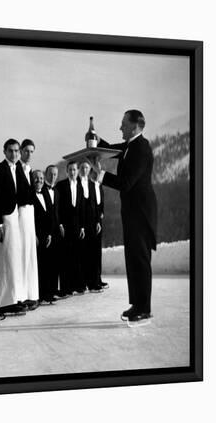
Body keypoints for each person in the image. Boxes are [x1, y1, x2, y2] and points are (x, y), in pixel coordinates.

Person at [92, 110, 157, 325]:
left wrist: (100, 175)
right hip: (132, 213)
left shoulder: (141, 148)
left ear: (135, 126)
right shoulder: (129, 146)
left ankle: (144, 308)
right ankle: (137, 304)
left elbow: (126, 182)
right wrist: (95, 139)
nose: (120, 128)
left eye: (123, 124)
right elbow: (110, 149)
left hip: (141, 214)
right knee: (133, 259)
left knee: (140, 260)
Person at [0, 139, 27, 318]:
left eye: (16, 151)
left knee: (14, 259)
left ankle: (14, 297)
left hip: (15, 217)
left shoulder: (18, 167)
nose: (14, 154)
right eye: (10, 151)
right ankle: (4, 302)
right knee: (5, 260)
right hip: (4, 218)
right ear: (4, 152)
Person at [56, 161, 86, 296]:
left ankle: (77, 285)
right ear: (67, 171)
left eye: (75, 170)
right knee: (64, 257)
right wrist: (60, 224)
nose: (73, 172)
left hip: (76, 226)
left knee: (77, 256)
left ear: (77, 171)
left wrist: (82, 227)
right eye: (70, 170)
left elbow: (82, 208)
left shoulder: (80, 187)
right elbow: (57, 206)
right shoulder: (61, 185)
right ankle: (65, 288)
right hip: (65, 225)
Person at [17, 139, 40, 310]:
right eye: (26, 151)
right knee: (22, 255)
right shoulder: (16, 169)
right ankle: (21, 296)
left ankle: (31, 294)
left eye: (32, 151)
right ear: (21, 151)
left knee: (30, 254)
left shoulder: (29, 170)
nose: (29, 154)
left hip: (29, 215)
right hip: (19, 214)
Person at [31, 170, 58, 304]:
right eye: (36, 178)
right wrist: (34, 235)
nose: (39, 180)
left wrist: (50, 234)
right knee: (38, 266)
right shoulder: (30, 195)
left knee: (48, 265)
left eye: (41, 178)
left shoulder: (46, 194)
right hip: (36, 235)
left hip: (47, 235)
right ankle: (39, 295)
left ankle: (48, 294)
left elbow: (50, 215)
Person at [78, 161, 104, 293]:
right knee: (82, 254)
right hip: (80, 223)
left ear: (89, 170)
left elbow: (95, 205)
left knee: (92, 253)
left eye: (86, 168)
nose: (84, 170)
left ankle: (93, 282)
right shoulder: (75, 183)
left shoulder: (92, 185)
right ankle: (82, 283)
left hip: (92, 223)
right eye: (82, 168)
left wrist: (98, 221)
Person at [43, 165, 66, 299]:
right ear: (46, 174)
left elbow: (58, 211)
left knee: (55, 262)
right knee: (47, 262)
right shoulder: (42, 190)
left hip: (57, 229)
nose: (53, 177)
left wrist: (61, 225)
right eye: (51, 174)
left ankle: (53, 289)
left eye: (55, 174)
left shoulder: (56, 191)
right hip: (46, 230)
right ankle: (46, 292)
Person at [92, 175, 109, 289]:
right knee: (92, 252)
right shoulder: (88, 185)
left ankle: (98, 278)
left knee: (98, 252)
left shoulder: (100, 184)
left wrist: (101, 213)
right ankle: (92, 281)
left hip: (99, 220)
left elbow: (101, 202)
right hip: (91, 221)